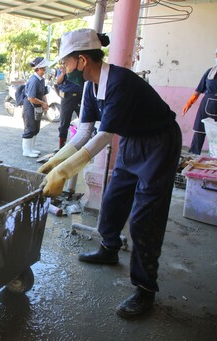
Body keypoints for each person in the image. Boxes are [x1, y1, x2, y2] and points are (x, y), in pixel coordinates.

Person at [37, 29, 181, 318]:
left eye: (65, 64)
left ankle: (145, 289)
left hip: (158, 142)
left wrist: (66, 171)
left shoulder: (120, 82)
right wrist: (56, 161)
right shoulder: (91, 86)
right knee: (114, 199)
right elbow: (85, 131)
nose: (63, 70)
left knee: (144, 216)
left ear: (81, 60)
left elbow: (103, 137)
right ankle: (109, 248)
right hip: (132, 140)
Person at [182, 45, 217, 154]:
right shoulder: (210, 72)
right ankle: (193, 155)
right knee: (199, 132)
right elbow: (198, 90)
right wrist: (189, 103)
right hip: (206, 106)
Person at [21, 57, 50, 158]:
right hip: (30, 107)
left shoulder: (40, 80)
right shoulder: (34, 80)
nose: (45, 69)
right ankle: (26, 151)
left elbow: (43, 93)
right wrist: (43, 103)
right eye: (43, 67)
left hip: (37, 107)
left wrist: (45, 103)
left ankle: (31, 149)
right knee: (30, 128)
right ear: (39, 68)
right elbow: (31, 98)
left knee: (35, 129)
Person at [54, 63, 83, 152]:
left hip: (79, 97)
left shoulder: (80, 68)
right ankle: (61, 147)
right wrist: (63, 73)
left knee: (83, 122)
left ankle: (80, 147)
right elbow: (58, 82)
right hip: (67, 98)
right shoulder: (63, 68)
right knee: (64, 123)